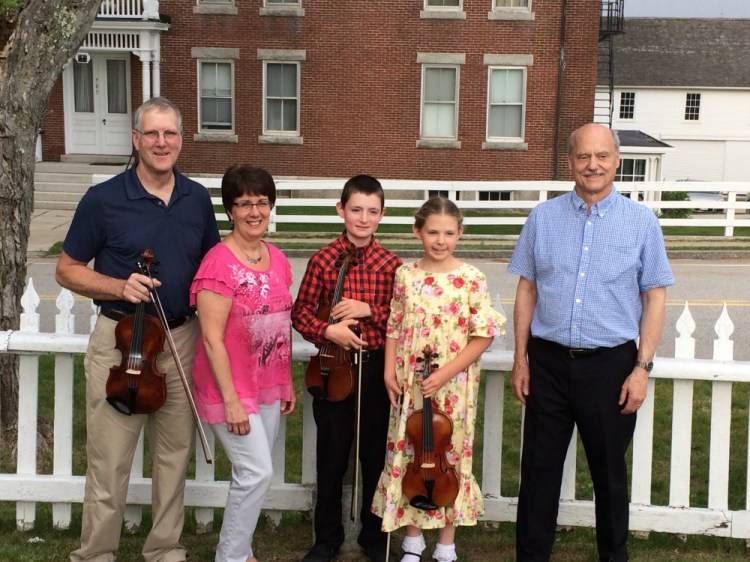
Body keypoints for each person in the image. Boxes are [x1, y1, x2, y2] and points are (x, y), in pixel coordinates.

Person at [56, 97, 220, 562]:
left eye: (169, 133)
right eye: (151, 133)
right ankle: (96, 553)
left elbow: (211, 270)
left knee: (174, 453)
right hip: (121, 342)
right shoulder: (103, 199)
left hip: (180, 338)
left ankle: (164, 547)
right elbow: (67, 270)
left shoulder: (196, 199)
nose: (161, 142)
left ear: (181, 140)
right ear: (136, 140)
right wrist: (117, 285)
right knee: (110, 459)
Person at [507, 123, 674, 562]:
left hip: (610, 367)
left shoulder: (642, 222)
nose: (592, 165)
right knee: (538, 472)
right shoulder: (542, 218)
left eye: (602, 156)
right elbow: (527, 288)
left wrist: (642, 368)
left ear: (617, 161)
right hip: (547, 363)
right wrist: (521, 359)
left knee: (609, 475)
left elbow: (655, 296)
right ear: (570, 162)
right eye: (583, 156)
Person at [372, 196, 506, 562]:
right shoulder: (406, 275)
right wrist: (388, 370)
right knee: (413, 453)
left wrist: (445, 373)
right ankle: (413, 542)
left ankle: (446, 545)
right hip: (411, 382)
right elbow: (394, 324)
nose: (440, 240)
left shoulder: (471, 278)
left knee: (449, 456)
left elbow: (483, 334)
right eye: (432, 232)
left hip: (454, 385)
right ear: (417, 231)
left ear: (459, 233)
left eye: (448, 233)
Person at [292, 175, 403, 562]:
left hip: (375, 370)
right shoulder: (324, 259)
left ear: (382, 214)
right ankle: (327, 538)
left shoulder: (392, 264)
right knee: (332, 457)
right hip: (332, 369)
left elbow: (404, 316)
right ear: (341, 210)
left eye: (372, 211)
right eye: (356, 209)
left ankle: (374, 538)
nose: (363, 218)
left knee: (375, 457)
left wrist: (368, 309)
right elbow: (300, 312)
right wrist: (328, 330)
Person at [190, 164, 296, 562]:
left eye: (262, 202)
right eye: (245, 203)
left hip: (267, 385)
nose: (255, 212)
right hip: (230, 389)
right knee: (257, 473)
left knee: (252, 474)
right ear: (230, 210)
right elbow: (212, 338)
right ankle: (231, 556)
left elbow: (279, 325)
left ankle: (242, 551)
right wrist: (232, 400)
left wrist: (285, 382)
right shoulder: (218, 264)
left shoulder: (277, 258)